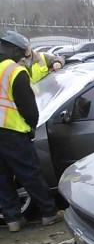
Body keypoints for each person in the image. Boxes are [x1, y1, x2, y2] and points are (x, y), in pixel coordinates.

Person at [0, 31, 63, 232]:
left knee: (2, 178)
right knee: (29, 174)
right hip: (12, 132)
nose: (22, 55)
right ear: (11, 49)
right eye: (20, 51)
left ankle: (13, 220)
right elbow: (28, 107)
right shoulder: (14, 71)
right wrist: (31, 128)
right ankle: (49, 213)